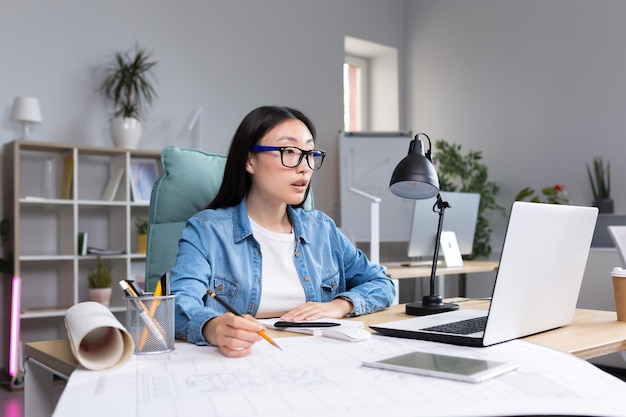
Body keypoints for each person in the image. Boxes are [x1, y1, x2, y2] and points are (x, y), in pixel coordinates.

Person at [170, 105, 396, 357]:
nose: (304, 167)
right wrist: (213, 328)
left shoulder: (322, 229)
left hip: (321, 358)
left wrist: (339, 305)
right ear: (249, 161)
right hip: (242, 361)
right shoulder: (207, 231)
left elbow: (381, 283)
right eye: (289, 151)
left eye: (309, 153)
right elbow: (178, 303)